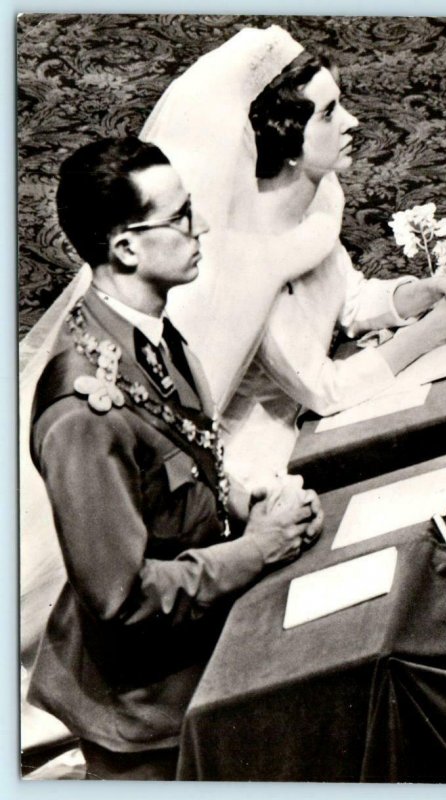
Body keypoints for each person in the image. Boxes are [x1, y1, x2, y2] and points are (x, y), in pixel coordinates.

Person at [27, 136, 323, 780]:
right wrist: (260, 548)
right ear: (126, 247)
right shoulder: (83, 413)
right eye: (182, 217)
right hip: (146, 709)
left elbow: (184, 462)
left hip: (192, 640)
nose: (204, 227)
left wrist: (246, 502)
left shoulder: (148, 335)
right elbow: (122, 598)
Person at [143, 29, 446, 491]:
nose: (352, 122)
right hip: (264, 459)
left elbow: (349, 300)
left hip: (320, 412)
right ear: (288, 143)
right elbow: (324, 389)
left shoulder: (315, 199)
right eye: (329, 114)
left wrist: (428, 292)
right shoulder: (249, 256)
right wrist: (434, 331)